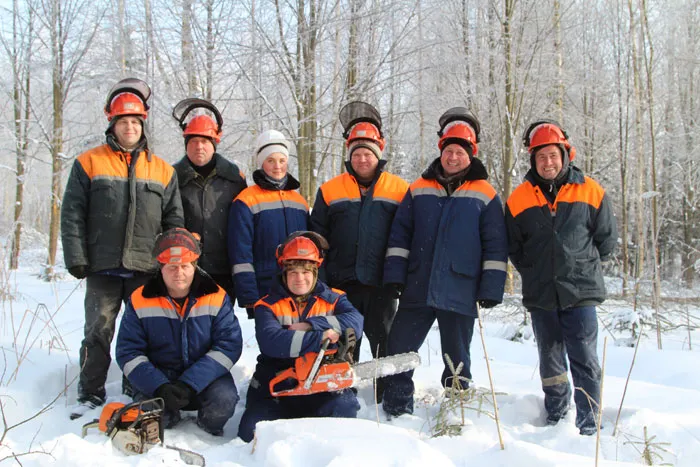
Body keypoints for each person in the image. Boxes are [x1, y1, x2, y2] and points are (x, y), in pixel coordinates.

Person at [61, 78, 184, 420]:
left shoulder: (161, 169)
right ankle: (90, 391)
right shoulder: (89, 163)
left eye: (135, 122)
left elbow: (174, 220)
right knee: (98, 330)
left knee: (145, 333)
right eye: (123, 121)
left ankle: (137, 386)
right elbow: (72, 213)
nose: (129, 127)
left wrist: (170, 265)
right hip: (102, 266)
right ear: (112, 124)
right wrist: (77, 257)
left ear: (142, 125)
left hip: (145, 268)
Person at [381, 108, 508, 417]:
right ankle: (396, 408)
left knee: (457, 356)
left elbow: (495, 245)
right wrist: (396, 274)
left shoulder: (485, 194)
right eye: (449, 151)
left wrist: (491, 287)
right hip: (418, 285)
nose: (453, 157)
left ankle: (457, 410)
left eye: (460, 152)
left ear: (471, 155)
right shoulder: (419, 188)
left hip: (461, 287)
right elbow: (400, 235)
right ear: (441, 152)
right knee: (400, 348)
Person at [505, 120, 617, 435]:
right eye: (541, 157)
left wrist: (582, 266)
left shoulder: (591, 191)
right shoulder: (519, 198)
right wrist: (534, 270)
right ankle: (556, 415)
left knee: (584, 359)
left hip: (580, 295)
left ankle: (588, 421)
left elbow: (606, 240)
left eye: (553, 155)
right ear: (533, 160)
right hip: (541, 295)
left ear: (565, 155)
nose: (548, 162)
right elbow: (514, 246)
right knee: (550, 362)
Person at [310, 101, 408, 402]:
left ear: (378, 155)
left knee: (383, 339)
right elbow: (317, 236)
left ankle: (383, 393)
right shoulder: (330, 190)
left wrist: (399, 277)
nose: (362, 159)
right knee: (344, 340)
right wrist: (322, 281)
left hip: (382, 282)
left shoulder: (400, 189)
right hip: (342, 283)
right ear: (349, 157)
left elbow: (407, 237)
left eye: (368, 154)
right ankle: (342, 391)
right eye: (357, 154)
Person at [237, 232, 364, 442]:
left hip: (322, 383)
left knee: (345, 409)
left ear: (315, 271)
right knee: (249, 434)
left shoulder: (334, 298)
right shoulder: (267, 305)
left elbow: (356, 322)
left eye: (306, 271)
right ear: (284, 273)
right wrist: (320, 339)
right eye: (293, 272)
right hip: (276, 382)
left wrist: (310, 325)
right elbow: (272, 342)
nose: (299, 278)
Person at [116, 228, 242, 436]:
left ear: (194, 266)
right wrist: (158, 386)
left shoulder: (217, 296)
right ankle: (168, 415)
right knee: (153, 425)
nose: (179, 273)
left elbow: (229, 346)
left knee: (224, 401)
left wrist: (190, 384)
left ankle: (207, 428)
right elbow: (128, 352)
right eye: (172, 267)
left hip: (205, 377)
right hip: (159, 377)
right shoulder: (139, 299)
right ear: (161, 267)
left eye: (184, 266)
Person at [228, 130, 309, 319]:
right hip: (265, 288)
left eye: (281, 160)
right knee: (272, 344)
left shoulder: (300, 202)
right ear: (261, 163)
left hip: (299, 287)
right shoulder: (246, 201)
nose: (277, 166)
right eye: (270, 160)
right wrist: (249, 296)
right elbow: (240, 252)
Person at [172, 98, 247, 302]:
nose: (199, 147)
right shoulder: (172, 178)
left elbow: (244, 223)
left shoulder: (234, 178)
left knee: (221, 323)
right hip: (184, 268)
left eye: (204, 141)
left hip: (224, 267)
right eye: (193, 141)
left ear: (214, 143)